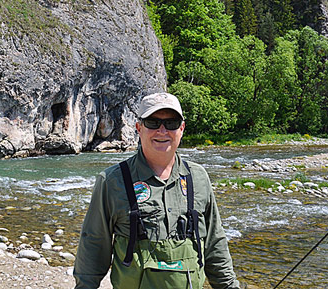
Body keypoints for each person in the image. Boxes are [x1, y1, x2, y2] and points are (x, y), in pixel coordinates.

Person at [73, 92, 240, 289]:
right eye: (153, 122)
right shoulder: (111, 181)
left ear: (182, 128)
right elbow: (93, 244)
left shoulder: (199, 177)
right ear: (139, 128)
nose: (162, 131)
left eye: (171, 123)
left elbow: (215, 243)